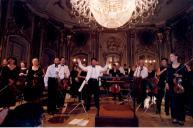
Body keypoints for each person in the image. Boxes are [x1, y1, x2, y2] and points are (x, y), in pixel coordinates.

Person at [166, 53, 187, 125]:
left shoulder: (182, 66)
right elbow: (168, 77)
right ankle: (174, 117)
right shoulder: (169, 67)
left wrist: (179, 75)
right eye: (170, 56)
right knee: (173, 103)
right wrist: (167, 83)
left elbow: (185, 76)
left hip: (180, 86)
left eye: (172, 56)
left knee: (180, 103)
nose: (170, 57)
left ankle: (181, 119)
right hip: (172, 87)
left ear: (176, 57)